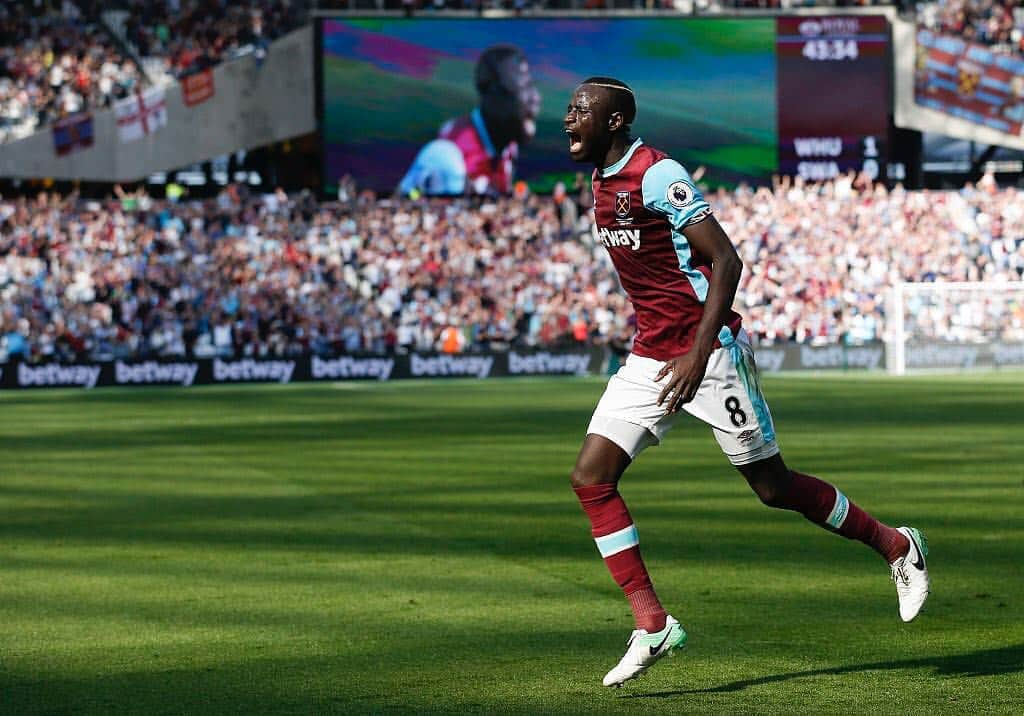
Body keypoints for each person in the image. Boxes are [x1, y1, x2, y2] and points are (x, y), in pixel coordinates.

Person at [563, 78, 930, 688]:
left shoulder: (657, 174)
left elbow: (726, 260)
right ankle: (652, 624)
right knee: (591, 478)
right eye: (570, 110)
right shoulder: (601, 181)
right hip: (650, 355)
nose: (569, 120)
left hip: (710, 354)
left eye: (581, 111)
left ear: (617, 119)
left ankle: (896, 545)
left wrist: (698, 354)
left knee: (773, 487)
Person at [398, 45, 540, 196]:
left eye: (531, 86)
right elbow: (413, 196)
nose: (535, 98)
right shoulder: (451, 153)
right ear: (492, 92)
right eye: (523, 87)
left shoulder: (507, 140)